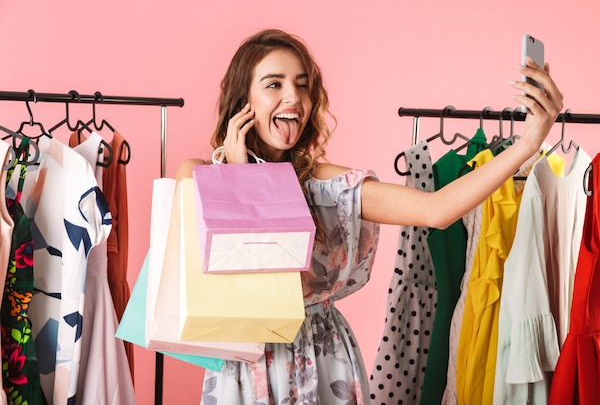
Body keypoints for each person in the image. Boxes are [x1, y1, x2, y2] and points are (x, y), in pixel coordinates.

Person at [176, 28, 563, 405]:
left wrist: (529, 142)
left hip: (322, 355)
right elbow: (225, 277)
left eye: (303, 83)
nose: (293, 97)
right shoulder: (197, 175)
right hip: (247, 360)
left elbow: (436, 210)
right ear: (244, 100)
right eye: (274, 84)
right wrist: (240, 174)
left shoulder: (323, 184)